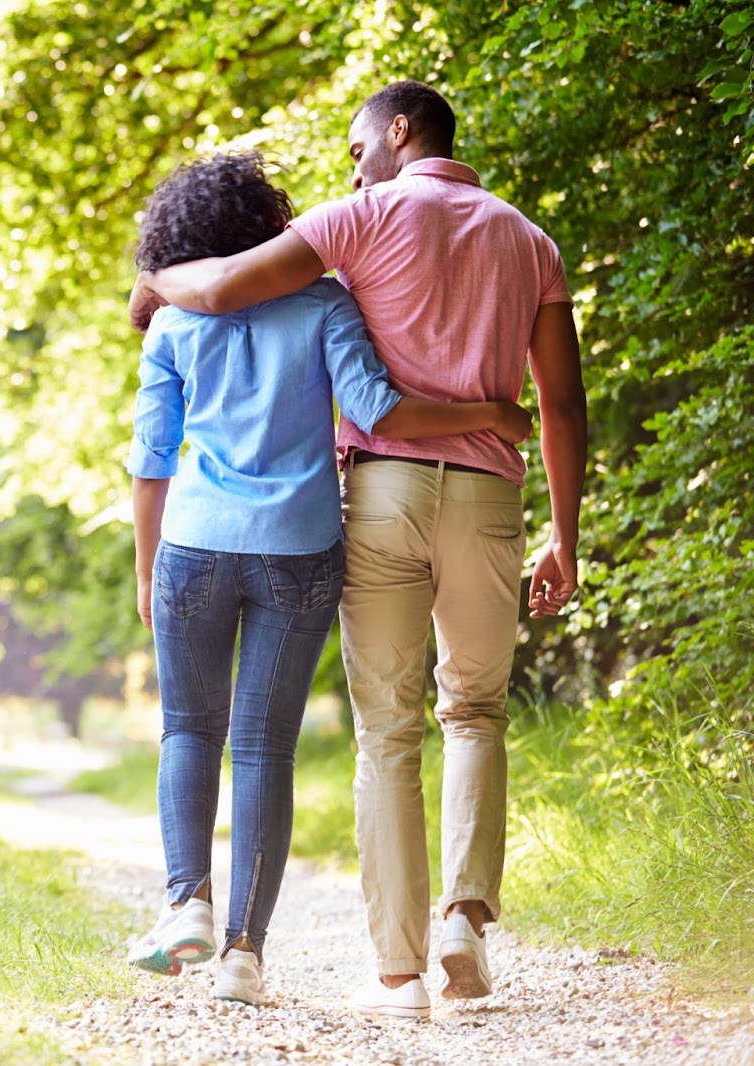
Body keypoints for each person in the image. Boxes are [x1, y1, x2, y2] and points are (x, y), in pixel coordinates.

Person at [128, 81, 587, 1021]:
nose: (350, 164)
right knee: (476, 711)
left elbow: (209, 307)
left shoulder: (358, 220)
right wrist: (562, 532)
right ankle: (460, 916)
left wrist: (154, 279)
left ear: (399, 132)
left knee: (380, 729)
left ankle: (396, 973)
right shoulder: (526, 240)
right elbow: (563, 402)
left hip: (365, 497)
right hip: (470, 498)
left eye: (356, 145)